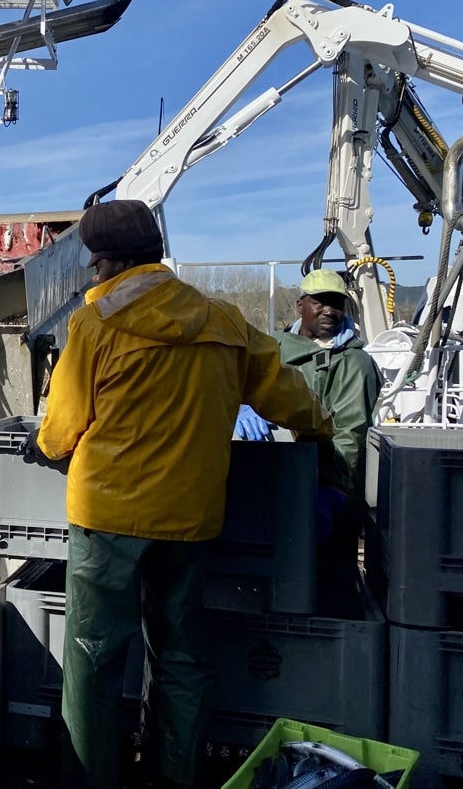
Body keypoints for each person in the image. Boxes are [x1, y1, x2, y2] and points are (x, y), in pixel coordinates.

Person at [21, 200, 333, 789]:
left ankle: (92, 780)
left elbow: (61, 429)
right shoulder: (225, 320)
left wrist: (44, 445)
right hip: (189, 521)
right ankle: (175, 778)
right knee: (182, 660)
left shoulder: (93, 327)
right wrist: (323, 433)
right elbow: (289, 398)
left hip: (107, 521)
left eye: (93, 266)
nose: (92, 276)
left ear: (109, 264)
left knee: (93, 658)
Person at [234, 269, 381, 561]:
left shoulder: (354, 363)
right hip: (259, 482)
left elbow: (350, 435)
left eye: (337, 303)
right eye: (320, 301)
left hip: (319, 489)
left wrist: (336, 490)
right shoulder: (269, 345)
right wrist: (239, 405)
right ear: (300, 305)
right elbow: (229, 382)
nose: (329, 310)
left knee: (320, 575)